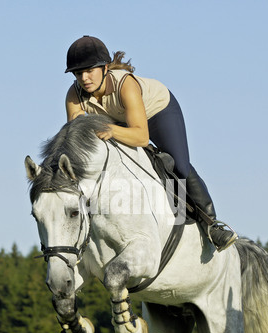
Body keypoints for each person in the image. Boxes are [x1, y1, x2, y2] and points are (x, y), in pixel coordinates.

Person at [65, 35, 238, 252]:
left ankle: (212, 225)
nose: (84, 77)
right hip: (117, 119)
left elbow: (140, 137)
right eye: (78, 73)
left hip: (157, 112)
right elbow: (78, 138)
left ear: (105, 67)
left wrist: (109, 129)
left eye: (90, 70)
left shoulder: (125, 84)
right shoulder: (74, 94)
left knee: (178, 165)